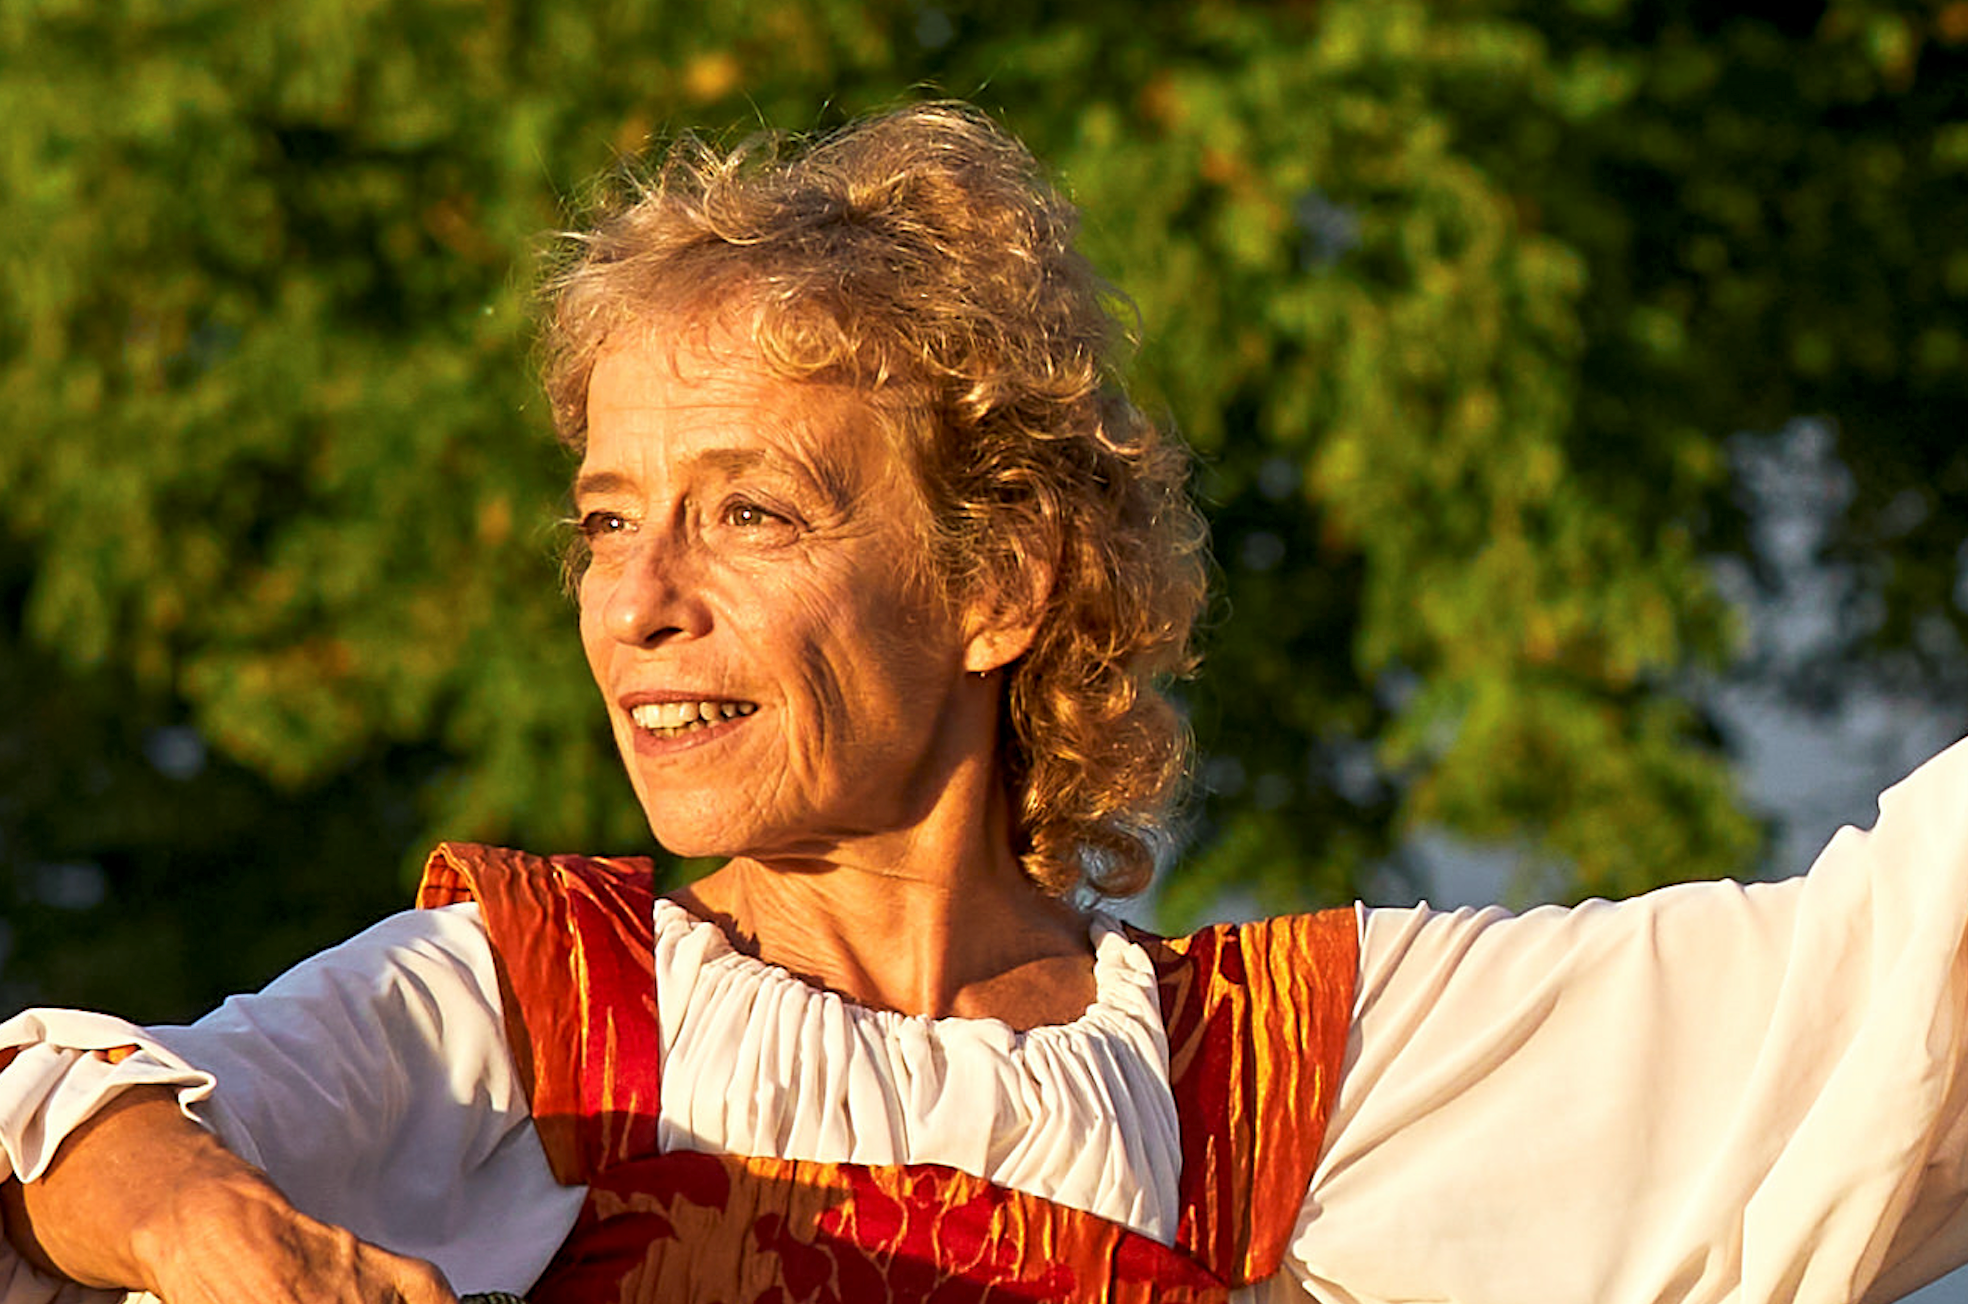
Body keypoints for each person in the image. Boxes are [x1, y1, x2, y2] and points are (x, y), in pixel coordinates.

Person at [3, 100, 1968, 1304]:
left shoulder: (1259, 1079)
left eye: (748, 511)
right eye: (610, 521)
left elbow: (1886, 997)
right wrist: (213, 1231)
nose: (640, 605)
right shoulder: (519, 1004)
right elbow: (53, 1118)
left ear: (1002, 577)